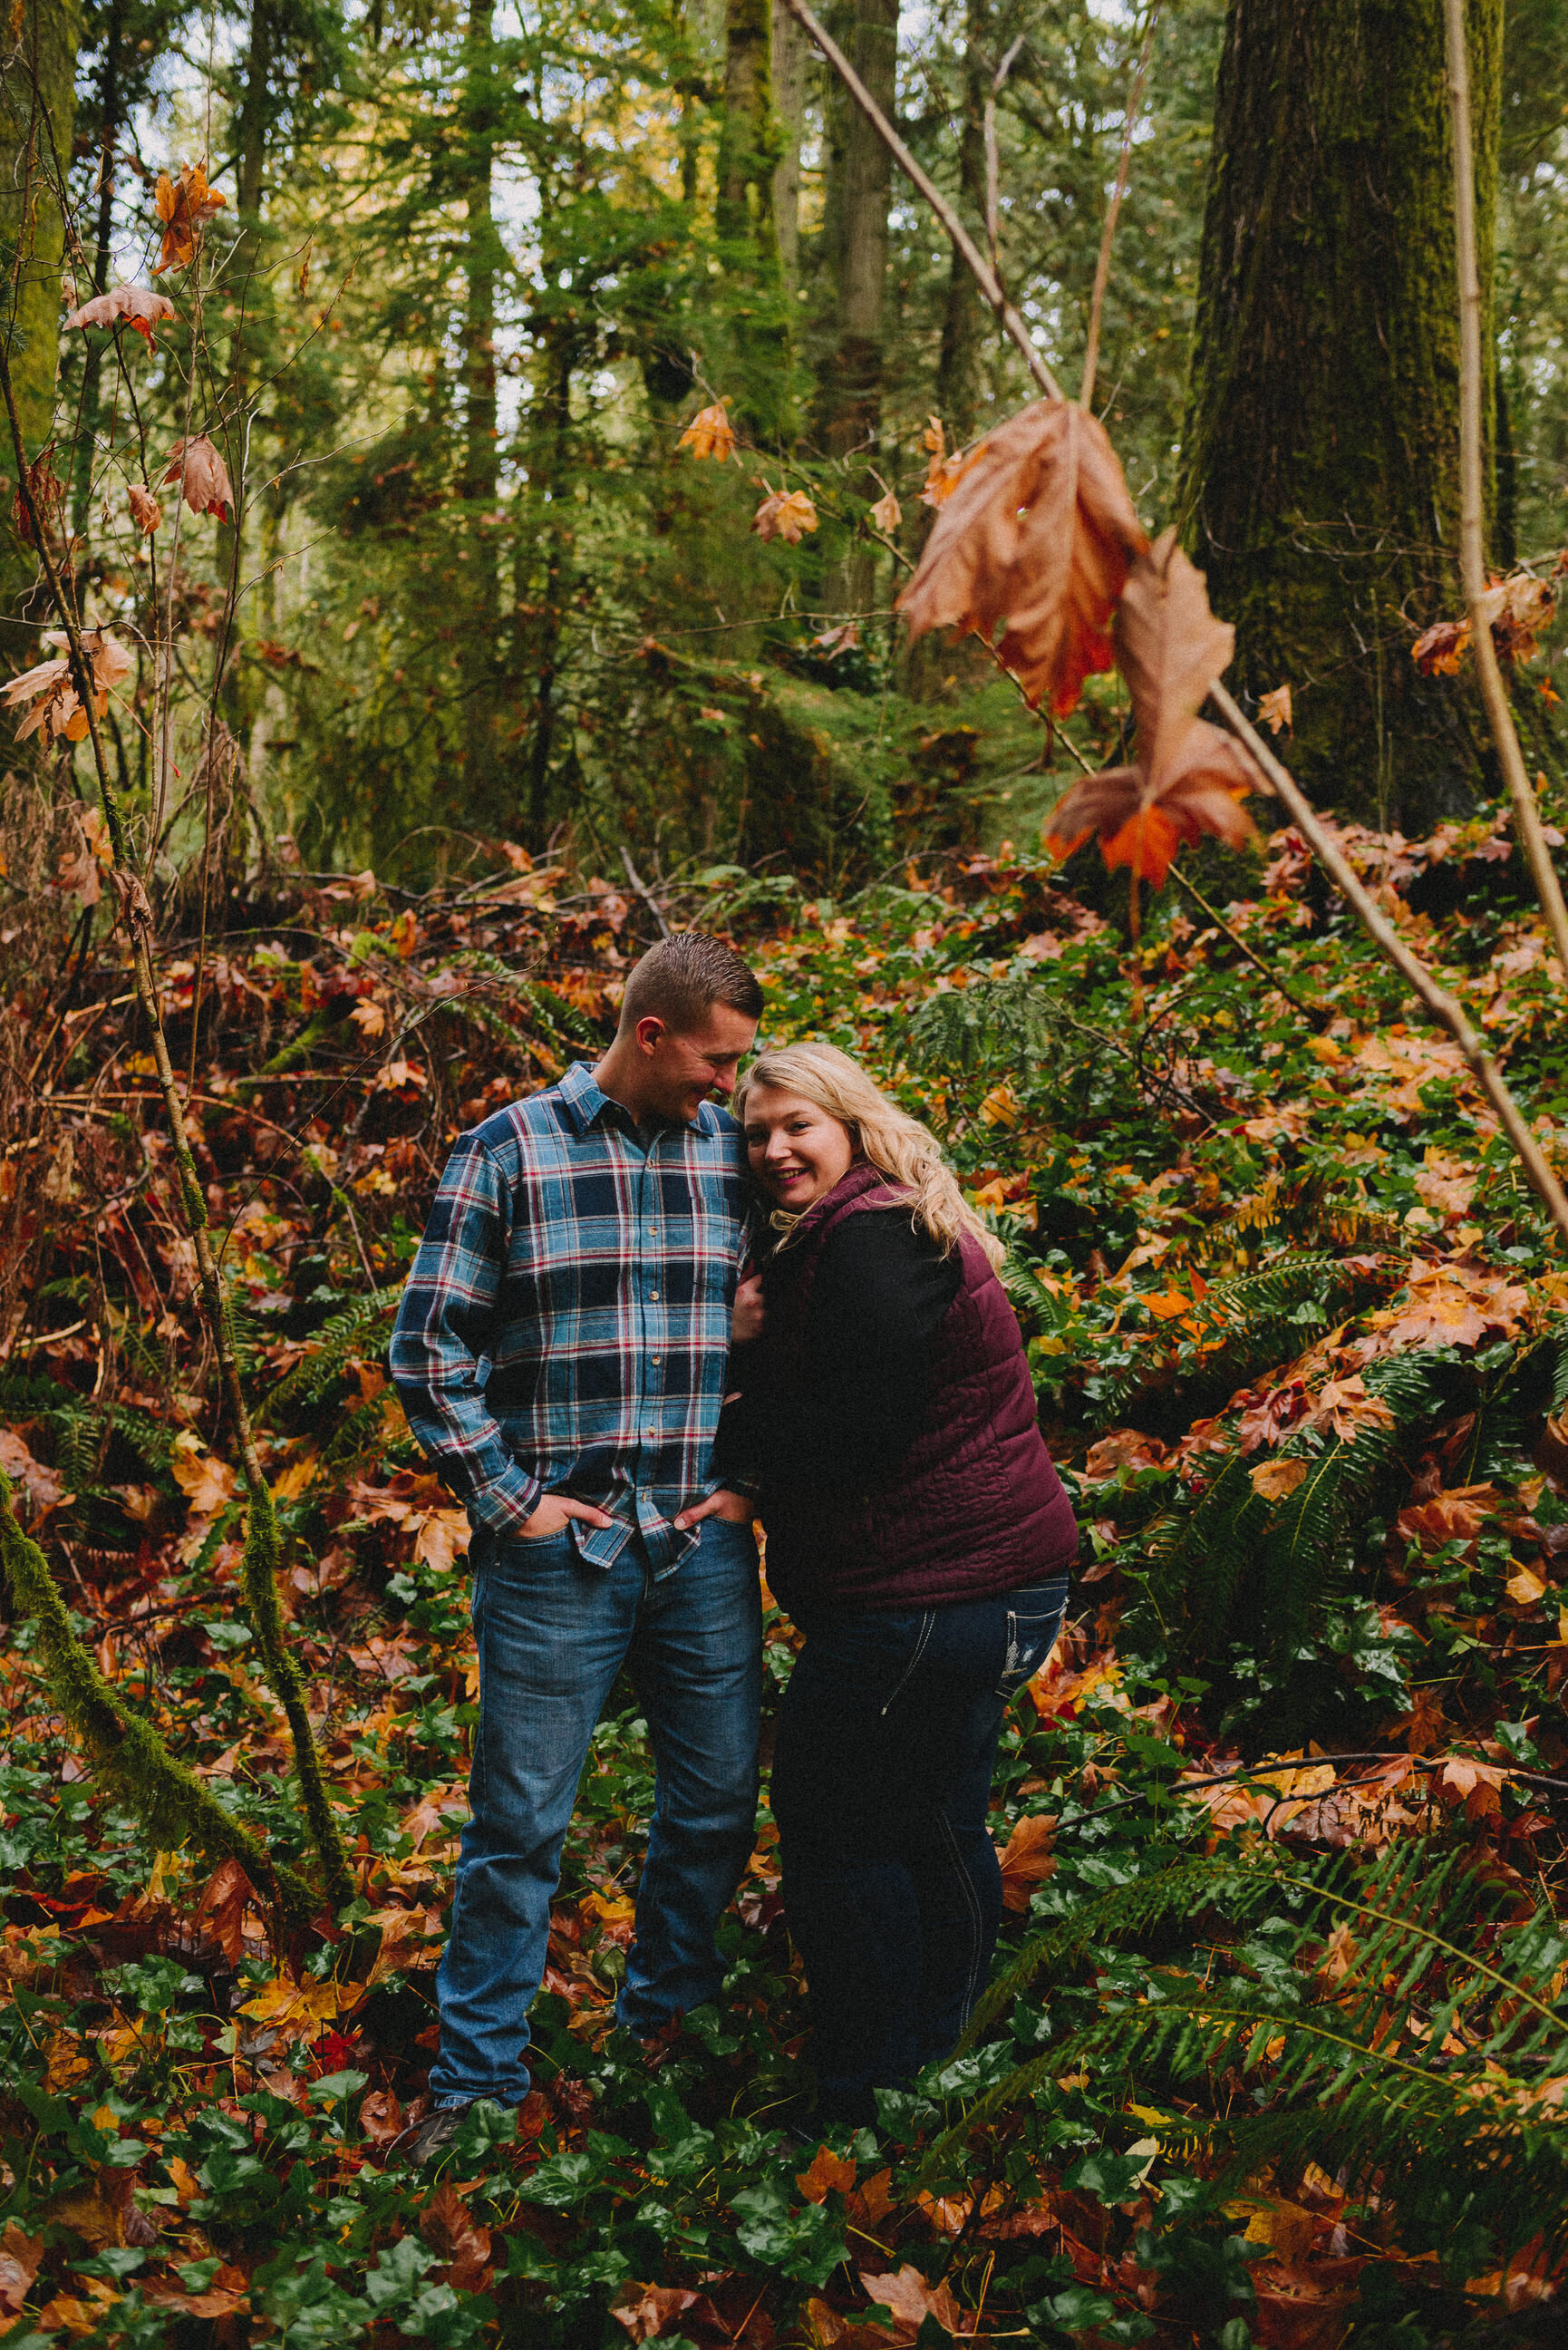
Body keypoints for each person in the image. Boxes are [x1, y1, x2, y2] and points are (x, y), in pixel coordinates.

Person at [388, 932, 768, 2162]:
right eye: (715, 1061)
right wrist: (511, 1502)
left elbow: (790, 1327)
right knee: (520, 1833)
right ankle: (476, 2085)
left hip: (698, 1546)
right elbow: (428, 1347)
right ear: (648, 1034)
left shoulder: (733, 1154)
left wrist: (749, 1481)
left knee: (712, 1807)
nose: (730, 1085)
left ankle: (663, 2034)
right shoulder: (507, 1151)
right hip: (561, 1555)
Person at [706, 1042, 1079, 2130]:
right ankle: (936, 2053)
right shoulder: (871, 1224)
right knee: (932, 1819)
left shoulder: (867, 1243)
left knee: (833, 1831)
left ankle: (858, 2090)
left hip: (931, 1599)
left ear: (852, 1126)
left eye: (796, 1127)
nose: (774, 1150)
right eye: (756, 1133)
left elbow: (859, 1431)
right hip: (991, 1583)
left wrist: (733, 1410)